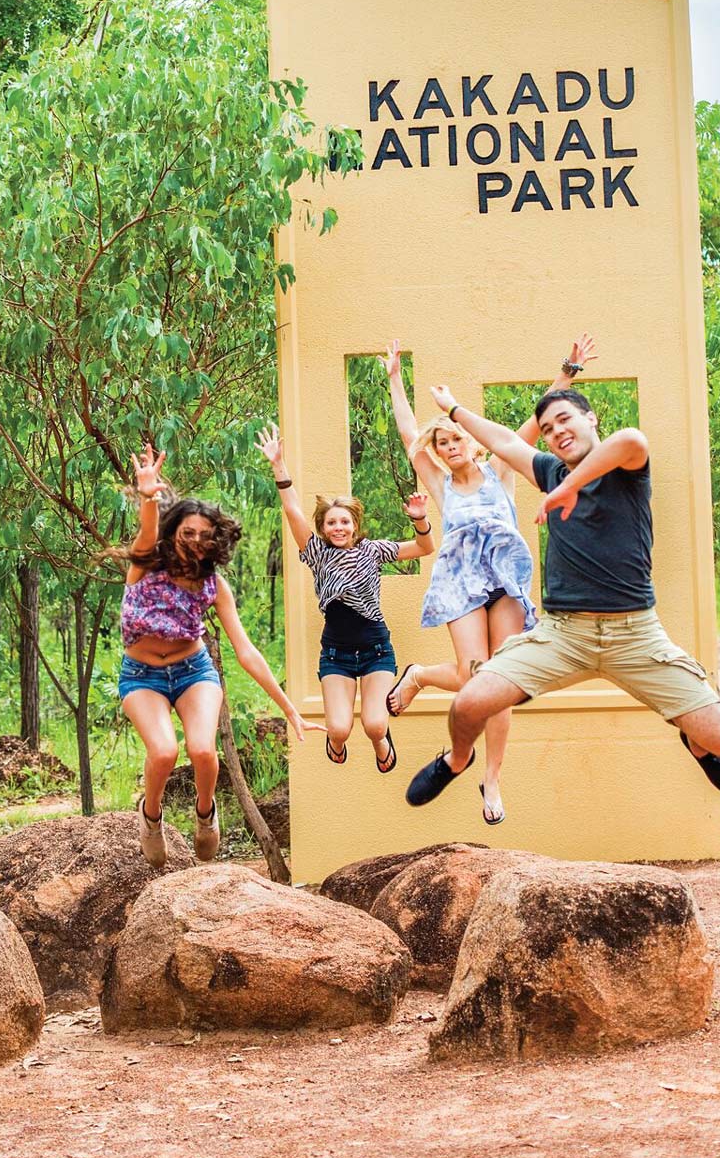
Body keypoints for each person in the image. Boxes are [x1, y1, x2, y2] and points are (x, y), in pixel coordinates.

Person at [403, 383, 720, 808]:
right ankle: (456, 761)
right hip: (563, 636)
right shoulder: (548, 471)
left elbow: (630, 440)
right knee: (469, 703)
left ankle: (697, 745)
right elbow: (505, 441)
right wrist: (454, 409)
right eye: (547, 428)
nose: (556, 431)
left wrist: (568, 488)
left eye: (565, 419)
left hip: (635, 634)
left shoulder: (628, 468)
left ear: (590, 419)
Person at [382, 336, 596, 824]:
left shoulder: (500, 468)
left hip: (505, 578)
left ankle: (492, 779)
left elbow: (537, 422)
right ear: (436, 453)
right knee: (469, 675)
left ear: (470, 440)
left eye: (456, 438)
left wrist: (568, 372)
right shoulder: (439, 484)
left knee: (503, 680)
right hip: (460, 581)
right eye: (442, 443)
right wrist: (395, 378)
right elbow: (407, 430)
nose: (451, 446)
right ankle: (419, 675)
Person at [120, 443, 310, 867]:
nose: (195, 542)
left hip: (193, 670)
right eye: (187, 533)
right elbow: (147, 531)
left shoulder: (214, 586)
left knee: (204, 751)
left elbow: (246, 651)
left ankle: (206, 815)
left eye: (205, 536)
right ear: (174, 533)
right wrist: (149, 496)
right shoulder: (146, 564)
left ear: (215, 541)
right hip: (142, 674)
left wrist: (289, 709)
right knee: (165, 752)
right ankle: (151, 817)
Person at [256, 423, 435, 774]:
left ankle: (381, 741)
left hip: (376, 650)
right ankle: (336, 741)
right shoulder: (316, 552)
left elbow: (425, 548)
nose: (338, 527)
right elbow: (292, 510)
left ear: (355, 524)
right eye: (331, 523)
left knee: (374, 724)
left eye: (345, 522)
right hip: (336, 653)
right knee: (339, 728)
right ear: (323, 528)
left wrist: (420, 519)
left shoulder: (373, 550)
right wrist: (279, 466)